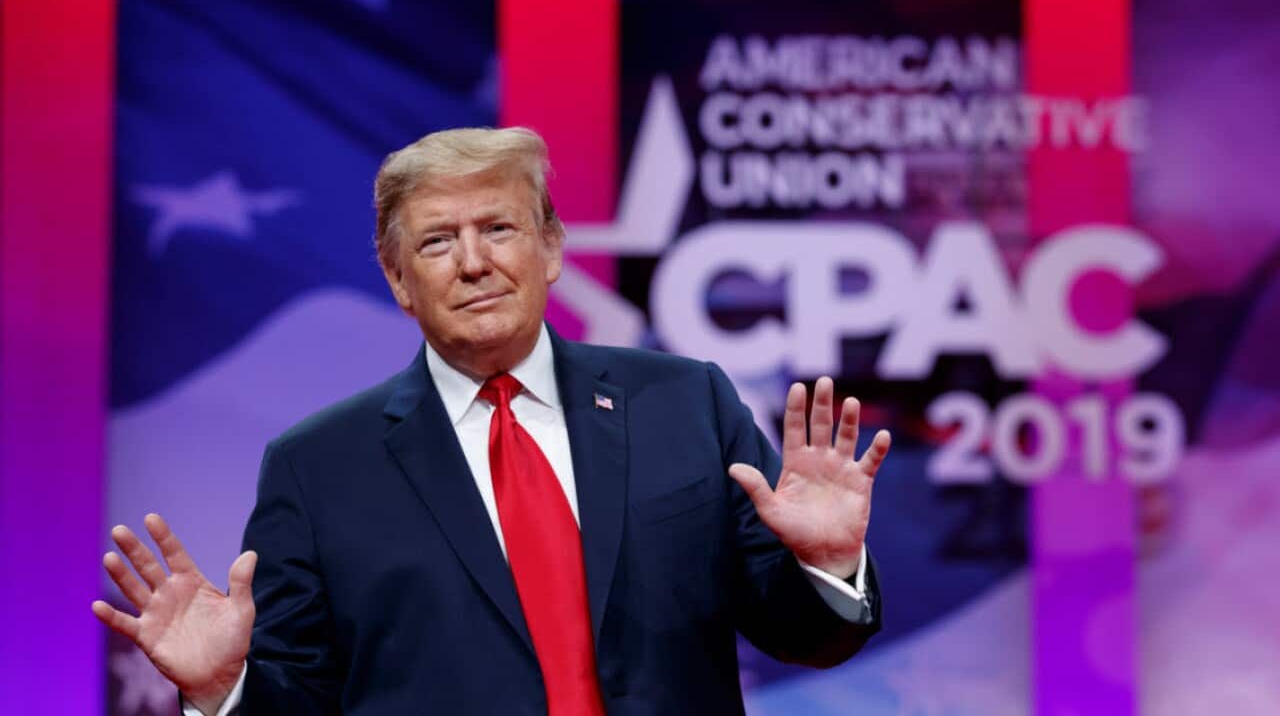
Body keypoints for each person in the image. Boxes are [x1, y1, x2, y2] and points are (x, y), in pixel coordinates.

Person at [93, 127, 892, 715]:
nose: (474, 262)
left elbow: (804, 638)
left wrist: (827, 565)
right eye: (438, 241)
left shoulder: (685, 404)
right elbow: (297, 700)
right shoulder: (318, 468)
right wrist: (222, 690)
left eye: (499, 229)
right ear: (398, 279)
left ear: (550, 248)